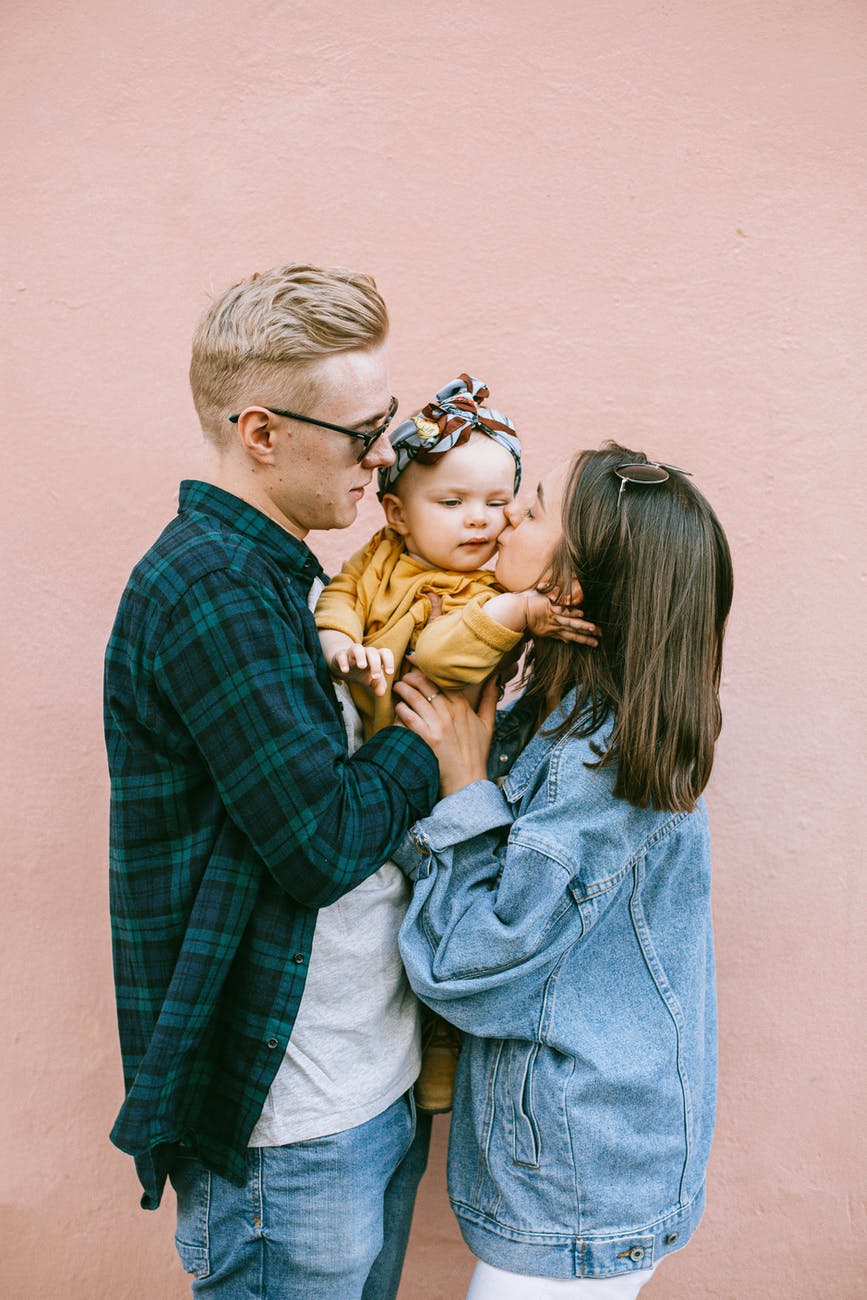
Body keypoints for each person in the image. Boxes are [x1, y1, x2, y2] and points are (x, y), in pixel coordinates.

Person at [104, 263, 445, 1299]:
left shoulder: (292, 576)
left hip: (365, 1090)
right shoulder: (212, 588)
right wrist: (433, 728)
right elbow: (322, 845)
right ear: (261, 432)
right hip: (290, 1134)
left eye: (388, 423)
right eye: (362, 433)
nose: (382, 456)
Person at [390, 444, 733, 1298]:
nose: (507, 513)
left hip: (580, 1180)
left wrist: (464, 786)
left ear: (571, 588)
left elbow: (472, 966)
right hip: (586, 1159)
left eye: (535, 509)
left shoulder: (595, 766)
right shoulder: (559, 717)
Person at [314, 374, 599, 1112]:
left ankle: (440, 1046)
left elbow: (441, 657)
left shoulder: (492, 595)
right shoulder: (380, 556)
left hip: (434, 778)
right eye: (452, 503)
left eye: (501, 502)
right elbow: (340, 593)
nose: (484, 522)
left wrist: (516, 612)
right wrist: (338, 641)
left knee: (437, 898)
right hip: (372, 767)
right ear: (396, 515)